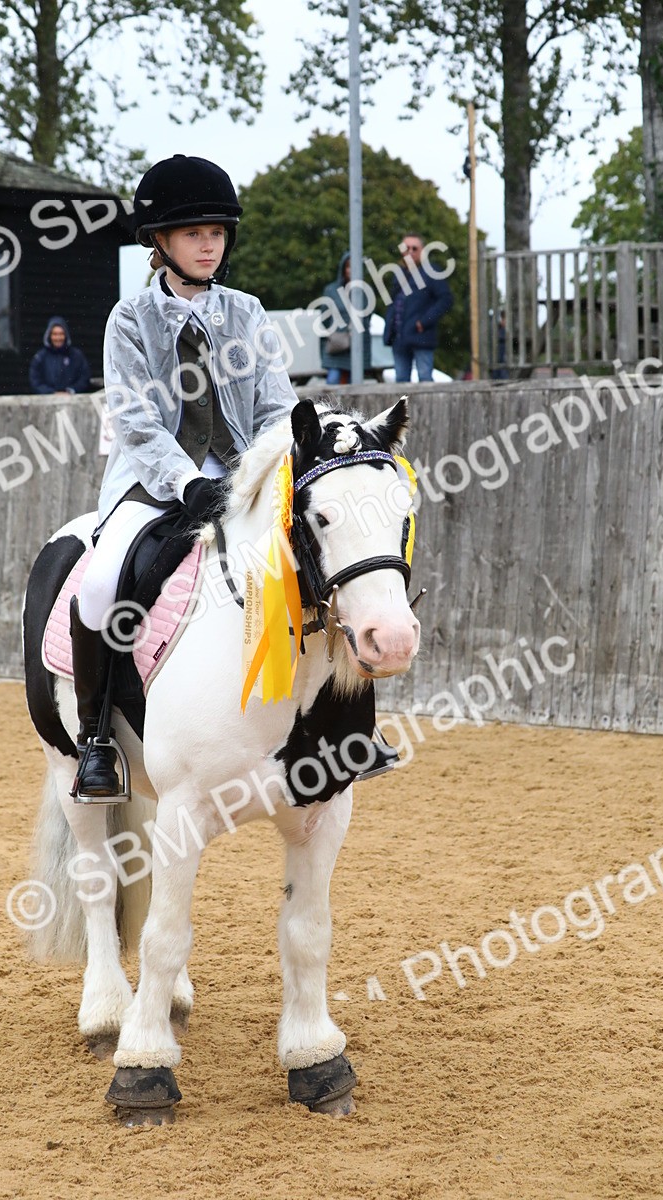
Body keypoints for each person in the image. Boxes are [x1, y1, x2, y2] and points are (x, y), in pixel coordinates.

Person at [72, 154, 399, 797]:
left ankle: (352, 726)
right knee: (103, 581)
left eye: (218, 233)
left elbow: (277, 407)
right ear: (159, 242)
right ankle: (97, 742)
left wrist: (269, 470)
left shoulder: (248, 313)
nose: (209, 245)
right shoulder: (130, 321)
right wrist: (185, 481)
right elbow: (136, 422)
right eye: (194, 233)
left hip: (247, 483)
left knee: (325, 566)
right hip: (153, 484)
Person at [383, 234, 453, 382]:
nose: (410, 252)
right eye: (406, 248)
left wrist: (424, 321)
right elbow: (392, 302)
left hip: (421, 336)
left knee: (425, 379)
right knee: (401, 381)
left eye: (414, 248)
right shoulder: (399, 273)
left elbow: (446, 299)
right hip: (399, 337)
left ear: (422, 251)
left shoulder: (431, 271)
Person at [317, 253, 371, 385]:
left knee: (355, 387)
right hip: (337, 346)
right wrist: (337, 331)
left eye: (354, 267)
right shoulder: (331, 290)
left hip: (357, 346)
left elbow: (367, 317)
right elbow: (324, 318)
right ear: (343, 268)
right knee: (333, 381)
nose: (350, 270)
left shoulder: (364, 291)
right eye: (348, 266)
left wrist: (355, 331)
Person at [29, 317, 91, 395]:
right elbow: (35, 381)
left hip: (73, 401)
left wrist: (71, 391)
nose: (58, 338)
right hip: (46, 402)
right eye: (55, 334)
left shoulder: (76, 355)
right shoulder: (40, 357)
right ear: (49, 335)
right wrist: (51, 392)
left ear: (66, 335)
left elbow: (84, 377)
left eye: (61, 334)